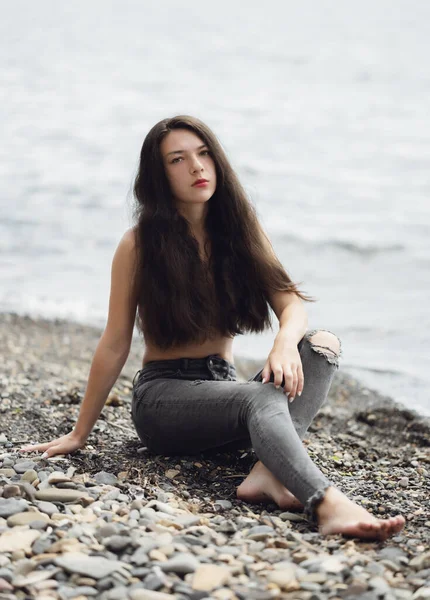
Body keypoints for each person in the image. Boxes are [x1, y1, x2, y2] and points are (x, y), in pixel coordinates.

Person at [21, 115, 405, 540]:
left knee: (321, 345)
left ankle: (264, 471)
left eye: (204, 154)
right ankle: (327, 504)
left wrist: (282, 342)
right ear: (158, 175)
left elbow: (291, 303)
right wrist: (79, 433)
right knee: (259, 398)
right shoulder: (138, 245)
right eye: (178, 160)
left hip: (225, 390)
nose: (197, 168)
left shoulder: (241, 232)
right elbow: (114, 344)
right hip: (164, 400)